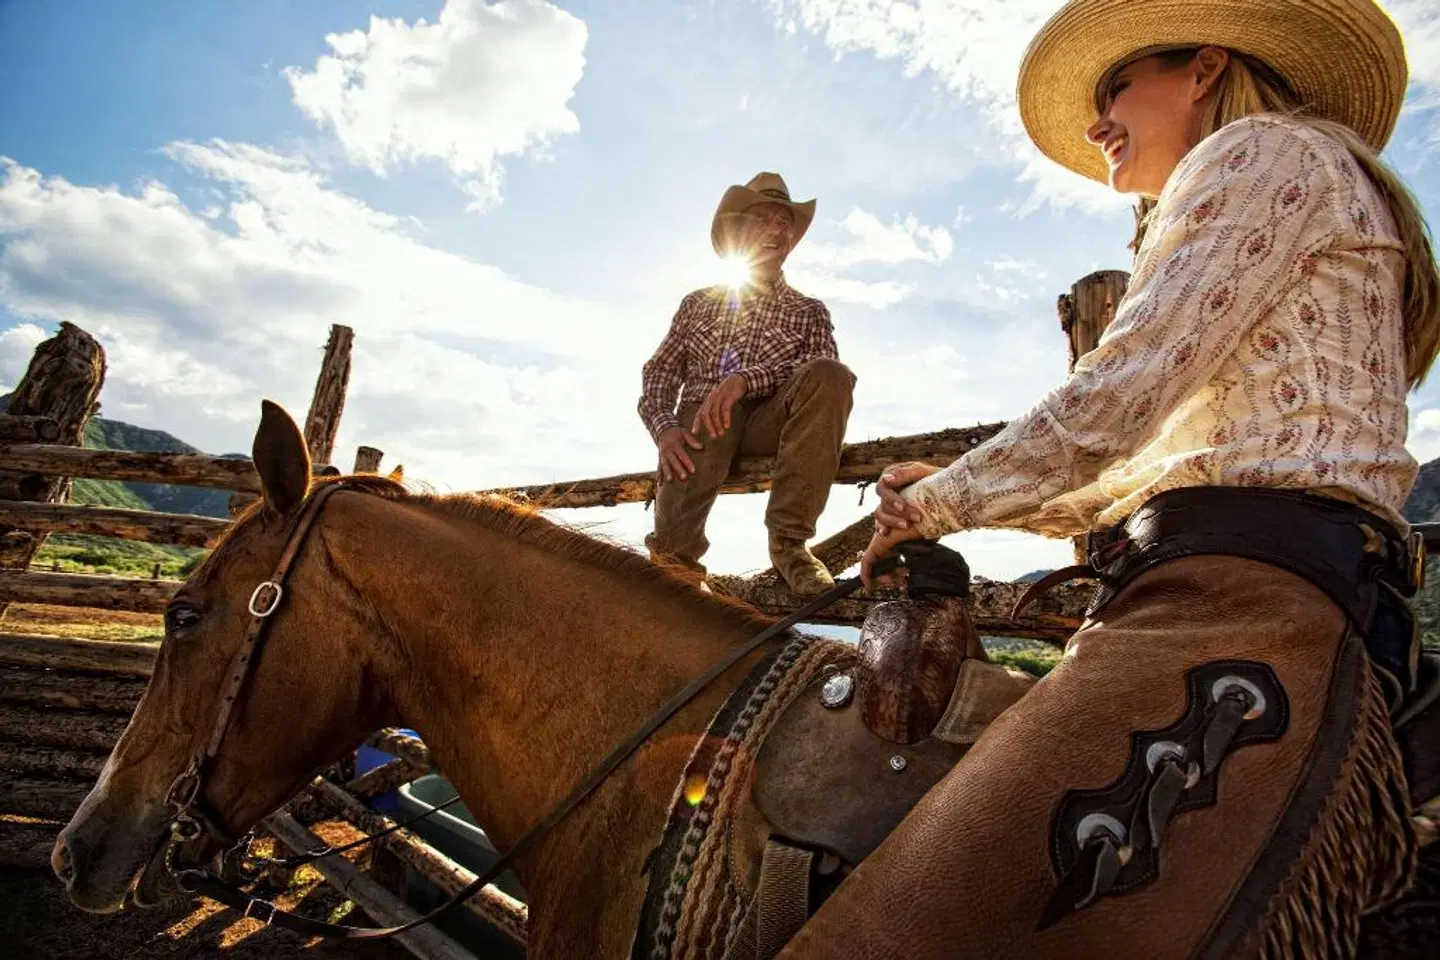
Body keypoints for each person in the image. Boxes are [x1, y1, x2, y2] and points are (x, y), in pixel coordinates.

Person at [780, 1, 1439, 957]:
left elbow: (1114, 400)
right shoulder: (1295, 170)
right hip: (1251, 582)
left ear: (1205, 68)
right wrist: (959, 490)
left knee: (889, 929)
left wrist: (933, 503)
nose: (1097, 123)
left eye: (1115, 88)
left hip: (1241, 600)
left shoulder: (1260, 153)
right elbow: (1132, 465)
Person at [638, 173, 856, 596]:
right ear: (738, 229)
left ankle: (790, 545)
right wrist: (665, 430)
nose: (778, 231)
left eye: (785, 223)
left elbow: (815, 371)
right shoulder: (698, 303)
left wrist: (745, 380)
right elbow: (659, 374)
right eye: (765, 220)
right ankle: (674, 565)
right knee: (709, 422)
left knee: (832, 374)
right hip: (703, 424)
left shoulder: (808, 311)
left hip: (773, 424)